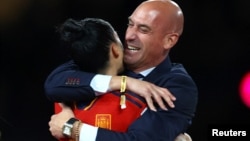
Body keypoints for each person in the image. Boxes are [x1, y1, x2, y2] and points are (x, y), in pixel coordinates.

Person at [46, 0, 198, 141]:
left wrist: (73, 128)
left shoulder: (176, 86)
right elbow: (54, 84)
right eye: (130, 24)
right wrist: (122, 82)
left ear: (169, 40)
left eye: (143, 30)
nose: (129, 36)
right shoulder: (112, 58)